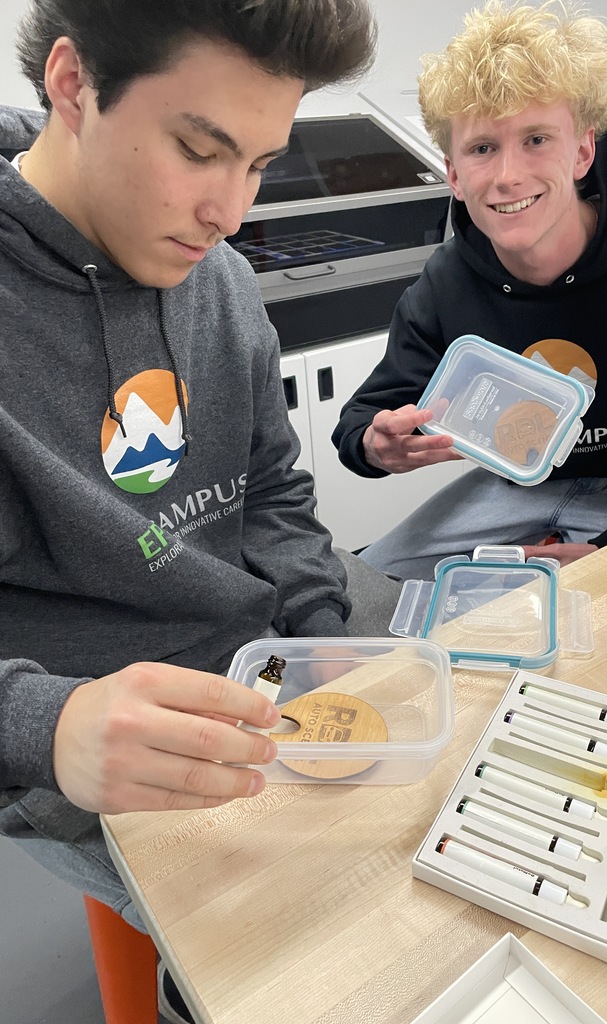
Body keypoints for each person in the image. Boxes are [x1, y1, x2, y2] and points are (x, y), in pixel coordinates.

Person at [0, 2, 391, 1021]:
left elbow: (273, 491)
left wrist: (319, 631)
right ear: (75, 84)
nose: (230, 209)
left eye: (259, 163)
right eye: (199, 148)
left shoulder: (221, 284)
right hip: (72, 739)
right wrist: (46, 724)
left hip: (259, 673)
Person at [332, 0, 607, 584]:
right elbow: (366, 417)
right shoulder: (445, 284)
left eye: (536, 139)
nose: (506, 176)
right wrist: (377, 445)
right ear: (452, 172)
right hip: (517, 489)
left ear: (582, 150)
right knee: (365, 586)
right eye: (481, 149)